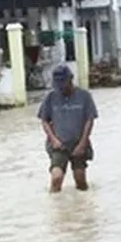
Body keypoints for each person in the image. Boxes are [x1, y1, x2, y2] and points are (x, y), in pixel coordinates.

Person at [37, 64, 98, 193]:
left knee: (80, 180)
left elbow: (89, 121)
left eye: (63, 83)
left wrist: (82, 144)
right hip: (59, 145)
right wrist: (53, 140)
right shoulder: (51, 97)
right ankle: (54, 207)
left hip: (78, 143)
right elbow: (44, 120)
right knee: (56, 178)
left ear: (71, 79)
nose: (61, 88)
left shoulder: (84, 96)